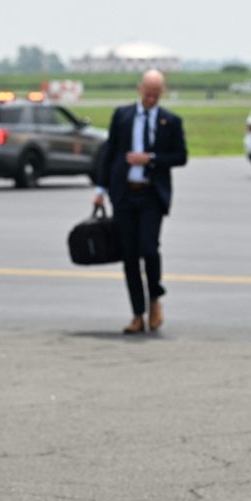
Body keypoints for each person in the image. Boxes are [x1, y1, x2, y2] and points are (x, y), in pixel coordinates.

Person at [93, 69, 187, 334]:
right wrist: (100, 188)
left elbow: (181, 156)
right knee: (130, 256)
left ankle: (155, 297)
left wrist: (152, 158)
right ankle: (137, 314)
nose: (151, 99)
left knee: (149, 248)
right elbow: (109, 153)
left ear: (162, 92)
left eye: (156, 95)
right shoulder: (122, 116)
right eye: (148, 93)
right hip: (123, 194)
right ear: (139, 89)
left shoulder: (171, 121)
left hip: (151, 195)